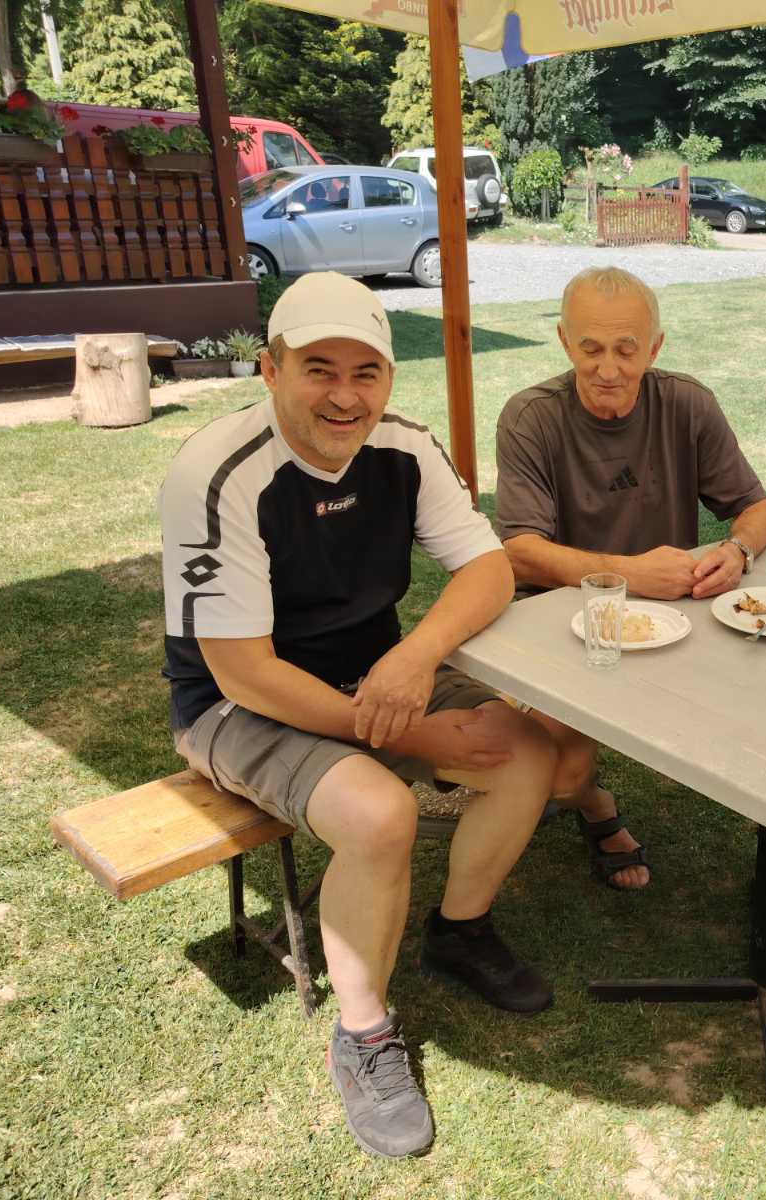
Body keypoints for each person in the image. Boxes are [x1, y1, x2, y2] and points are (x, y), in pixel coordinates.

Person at [159, 271, 557, 1160]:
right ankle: (364, 1034)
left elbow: (489, 569)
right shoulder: (215, 473)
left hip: (372, 674)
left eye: (366, 372)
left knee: (526, 752)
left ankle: (459, 933)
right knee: (381, 815)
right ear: (271, 370)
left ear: (389, 377)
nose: (345, 396)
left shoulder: (406, 447)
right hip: (233, 703)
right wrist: (409, 730)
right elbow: (244, 672)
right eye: (319, 370)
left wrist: (415, 657)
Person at [493, 266, 766, 933]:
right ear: (564, 342)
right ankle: (597, 805)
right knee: (560, 773)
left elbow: (754, 509)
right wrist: (625, 574)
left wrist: (737, 552)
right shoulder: (531, 417)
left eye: (626, 349)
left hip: (680, 618)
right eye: (590, 348)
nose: (607, 368)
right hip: (569, 623)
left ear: (655, 347)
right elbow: (519, 550)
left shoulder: (687, 404)